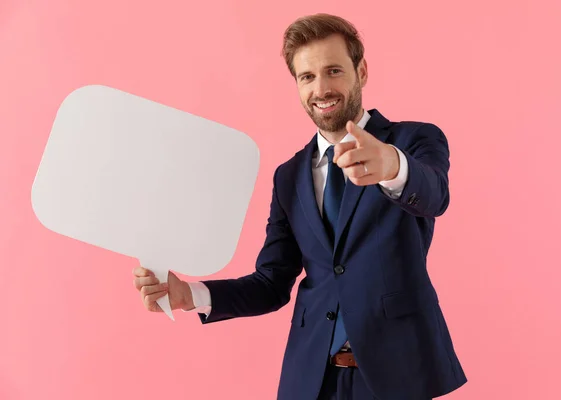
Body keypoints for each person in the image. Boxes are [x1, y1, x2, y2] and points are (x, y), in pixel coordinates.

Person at [133, 13, 467, 400]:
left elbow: (434, 194)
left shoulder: (414, 139)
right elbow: (272, 282)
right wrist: (190, 295)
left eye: (334, 71)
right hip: (312, 379)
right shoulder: (288, 176)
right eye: (307, 77)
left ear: (361, 71)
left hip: (399, 375)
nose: (321, 88)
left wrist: (392, 164)